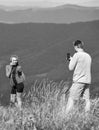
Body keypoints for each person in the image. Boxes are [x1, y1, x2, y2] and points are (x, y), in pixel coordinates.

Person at [66, 40, 92, 113]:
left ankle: (66, 115)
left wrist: (71, 60)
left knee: (71, 99)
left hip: (78, 81)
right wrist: (73, 59)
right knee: (87, 100)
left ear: (76, 46)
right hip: (87, 81)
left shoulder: (76, 55)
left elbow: (71, 68)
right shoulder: (88, 56)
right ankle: (87, 116)